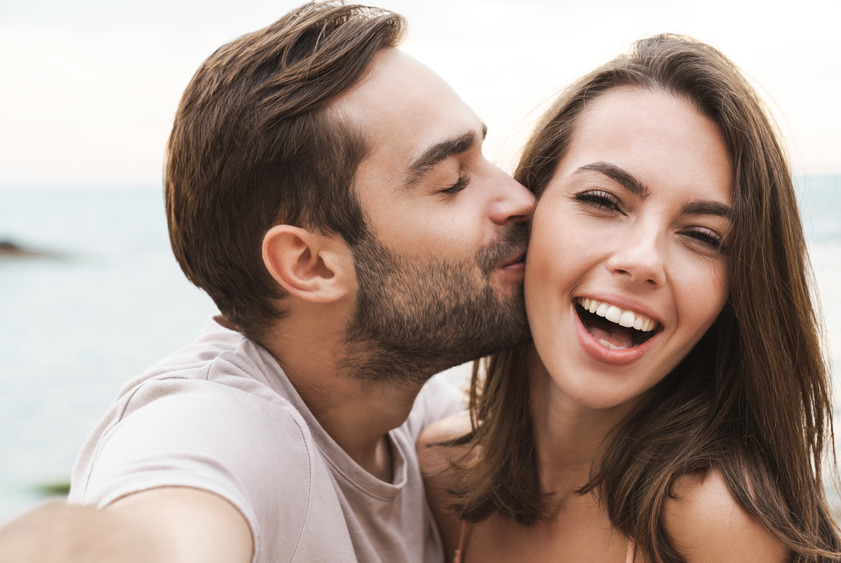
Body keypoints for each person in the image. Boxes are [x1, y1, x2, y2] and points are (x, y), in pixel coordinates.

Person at [0, 2, 535, 562]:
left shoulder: (404, 410)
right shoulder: (219, 428)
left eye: (484, 158)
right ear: (310, 264)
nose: (520, 198)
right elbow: (156, 531)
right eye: (452, 182)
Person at [419, 34, 841, 562]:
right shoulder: (441, 469)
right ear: (529, 208)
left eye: (703, 236)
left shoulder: (710, 522)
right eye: (603, 200)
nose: (643, 259)